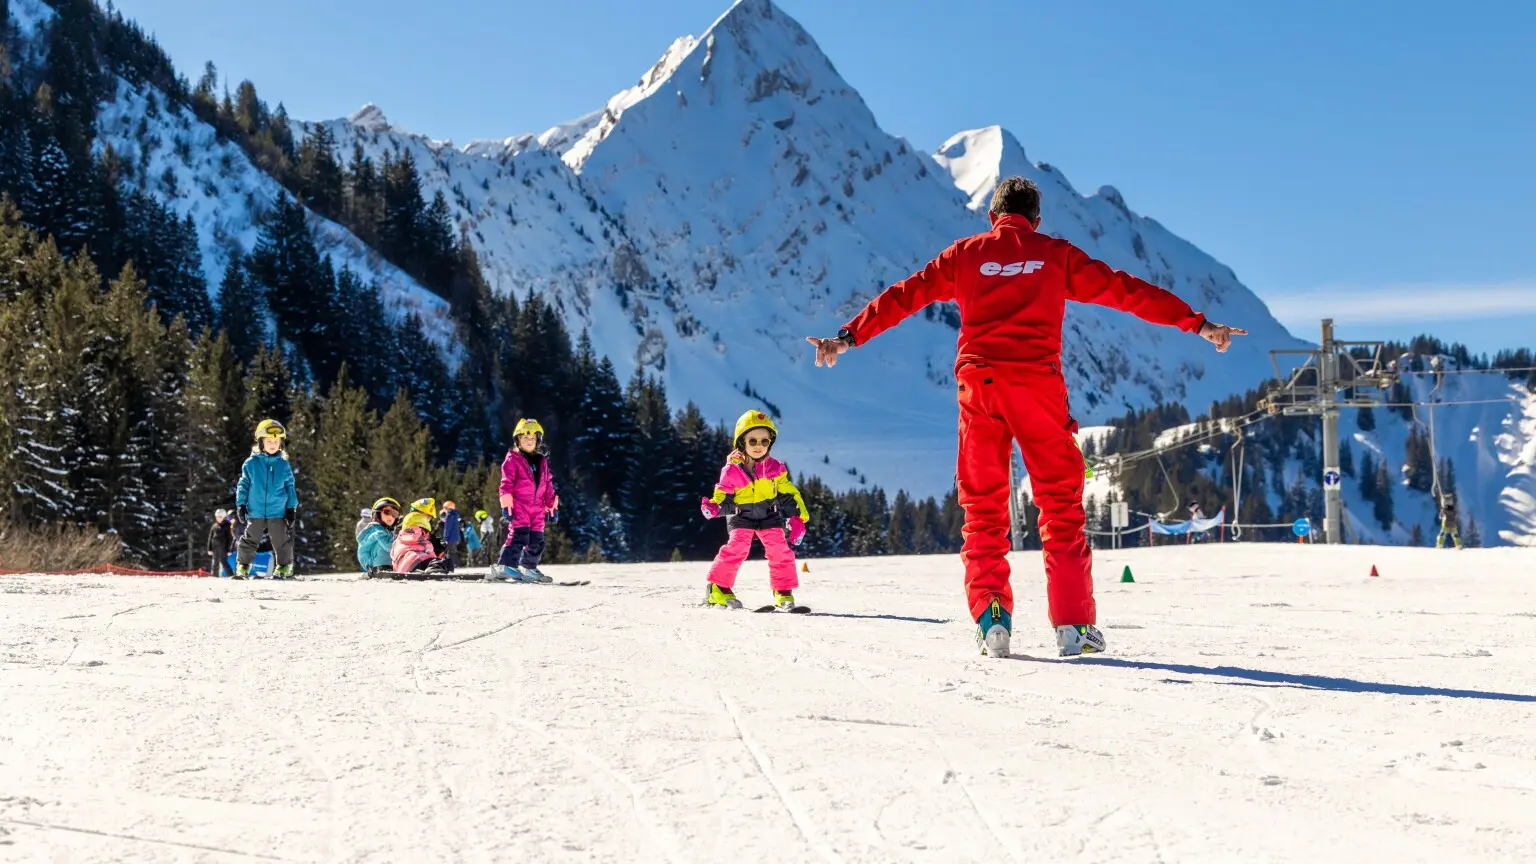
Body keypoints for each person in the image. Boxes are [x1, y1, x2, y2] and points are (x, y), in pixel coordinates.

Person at [806, 176, 1247, 658]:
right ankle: (1074, 627)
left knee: (984, 510)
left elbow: (904, 295)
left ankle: (992, 616)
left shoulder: (964, 254)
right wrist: (1198, 324)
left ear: (992, 217)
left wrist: (847, 337)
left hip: (980, 387)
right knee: (1060, 507)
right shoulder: (1055, 255)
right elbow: (1127, 291)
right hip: (1038, 387)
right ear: (1036, 220)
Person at [699, 410, 809, 610]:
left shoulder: (775, 469)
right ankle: (718, 589)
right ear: (741, 442)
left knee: (779, 549)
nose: (759, 446)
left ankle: (783, 591)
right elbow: (723, 495)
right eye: (753, 441)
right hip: (742, 515)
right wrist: (714, 507)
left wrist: (797, 518)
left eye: (764, 442)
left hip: (769, 514)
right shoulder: (732, 471)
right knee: (737, 547)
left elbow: (789, 495)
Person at [491, 419, 558, 583]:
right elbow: (506, 484)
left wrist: (552, 507)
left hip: (538, 509)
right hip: (520, 506)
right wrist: (507, 505)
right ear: (518, 440)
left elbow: (548, 485)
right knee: (519, 536)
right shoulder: (512, 460)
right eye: (525, 438)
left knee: (537, 540)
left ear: (538, 441)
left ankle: (528, 567)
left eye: (533, 439)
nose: (529, 441)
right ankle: (505, 565)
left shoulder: (542, 461)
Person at [234, 418, 300, 580]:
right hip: (255, 510)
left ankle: (284, 567)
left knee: (280, 540)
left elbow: (290, 488)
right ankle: (243, 566)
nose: (273, 444)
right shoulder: (250, 464)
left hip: (277, 510)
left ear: (281, 443)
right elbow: (243, 484)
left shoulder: (283, 465)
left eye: (276, 441)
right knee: (250, 538)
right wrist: (241, 504)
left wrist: (291, 508)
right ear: (261, 442)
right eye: (269, 441)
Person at [391, 510, 451, 575]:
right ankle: (433, 567)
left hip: (403, 566)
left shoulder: (399, 540)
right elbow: (422, 549)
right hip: (413, 562)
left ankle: (433, 566)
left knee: (439, 561)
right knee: (438, 561)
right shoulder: (416, 534)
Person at [357, 497, 401, 576]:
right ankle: (382, 568)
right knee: (388, 544)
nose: (391, 517)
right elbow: (389, 546)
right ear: (377, 514)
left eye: (394, 514)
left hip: (377, 562)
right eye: (387, 512)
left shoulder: (386, 531)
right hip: (373, 563)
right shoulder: (376, 530)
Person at [206, 509, 235, 577]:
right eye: (217, 517)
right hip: (215, 548)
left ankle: (231, 575)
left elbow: (230, 538)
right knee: (215, 562)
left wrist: (229, 549)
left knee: (224, 562)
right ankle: (214, 576)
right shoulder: (214, 526)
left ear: (224, 517)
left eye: (220, 517)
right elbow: (210, 538)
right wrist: (209, 549)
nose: (218, 518)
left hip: (223, 548)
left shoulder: (228, 525)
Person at [441, 501, 463, 569]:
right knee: (453, 551)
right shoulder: (455, 515)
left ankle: (452, 565)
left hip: (451, 537)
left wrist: (445, 537)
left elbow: (447, 528)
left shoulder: (449, 516)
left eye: (445, 508)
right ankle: (456, 564)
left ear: (448, 508)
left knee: (450, 552)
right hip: (456, 536)